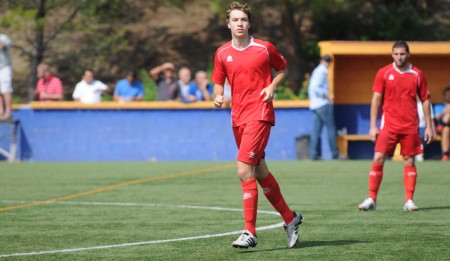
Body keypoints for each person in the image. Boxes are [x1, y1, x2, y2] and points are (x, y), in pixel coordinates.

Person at [211, 1, 302, 249]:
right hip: (237, 117)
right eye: (235, 20)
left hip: (260, 114)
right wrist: (218, 95)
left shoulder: (264, 48)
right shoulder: (222, 53)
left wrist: (272, 86)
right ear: (228, 23)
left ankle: (249, 232)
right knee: (259, 171)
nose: (240, 24)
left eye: (243, 20)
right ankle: (290, 218)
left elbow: (282, 68)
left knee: (243, 170)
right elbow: (218, 81)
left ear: (249, 23)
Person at [358, 40, 434, 212]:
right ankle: (372, 199)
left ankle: (409, 201)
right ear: (392, 55)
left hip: (410, 126)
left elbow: (426, 100)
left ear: (408, 54)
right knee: (378, 158)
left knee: (409, 160)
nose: (399, 57)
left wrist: (429, 126)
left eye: (402, 54)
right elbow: (376, 100)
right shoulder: (384, 73)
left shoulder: (417, 74)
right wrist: (372, 126)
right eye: (396, 54)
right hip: (389, 125)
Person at [308, 54, 340, 160]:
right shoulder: (322, 71)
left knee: (316, 130)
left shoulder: (317, 70)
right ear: (322, 61)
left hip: (315, 104)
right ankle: (335, 153)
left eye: (329, 61)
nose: (328, 63)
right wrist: (327, 95)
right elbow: (315, 87)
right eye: (326, 60)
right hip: (322, 103)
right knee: (331, 128)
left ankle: (313, 154)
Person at [415, 97, 435, 162]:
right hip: (411, 127)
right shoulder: (409, 103)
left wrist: (433, 131)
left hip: (423, 128)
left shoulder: (427, 103)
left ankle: (419, 153)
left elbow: (431, 119)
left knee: (422, 135)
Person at [435, 86, 450, 161]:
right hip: (441, 128)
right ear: (444, 96)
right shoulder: (439, 106)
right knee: (446, 129)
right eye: (447, 95)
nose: (449, 96)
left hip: (446, 126)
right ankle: (445, 154)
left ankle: (445, 154)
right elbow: (436, 118)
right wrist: (445, 110)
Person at [0, 33, 13, 121]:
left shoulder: (3, 37)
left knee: (5, 90)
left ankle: (8, 112)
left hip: (4, 68)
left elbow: (3, 45)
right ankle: (0, 112)